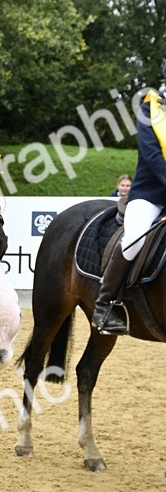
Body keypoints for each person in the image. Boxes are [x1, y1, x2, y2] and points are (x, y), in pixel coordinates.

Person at [93, 76, 166, 334]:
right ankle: (104, 305)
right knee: (134, 240)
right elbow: (151, 155)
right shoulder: (151, 110)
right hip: (151, 194)